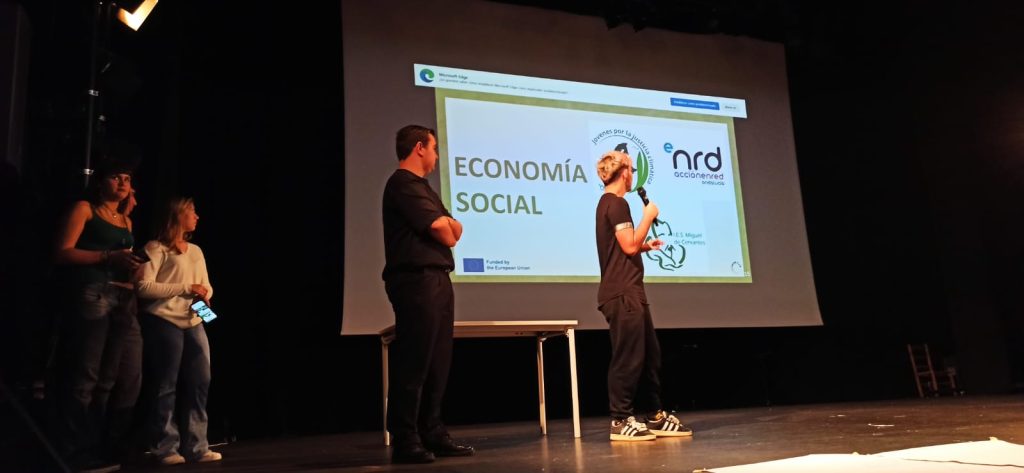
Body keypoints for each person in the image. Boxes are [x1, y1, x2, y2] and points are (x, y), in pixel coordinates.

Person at [381, 125, 473, 463]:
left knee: (438, 361)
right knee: (415, 360)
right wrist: (448, 225)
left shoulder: (423, 188)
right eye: (434, 148)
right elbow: (447, 233)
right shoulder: (402, 184)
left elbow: (455, 229)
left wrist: (448, 225)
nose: (436, 156)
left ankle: (432, 431)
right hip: (416, 280)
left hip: (437, 279)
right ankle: (406, 437)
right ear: (419, 147)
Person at [594, 150, 692, 441]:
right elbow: (628, 246)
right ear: (624, 173)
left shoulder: (610, 204)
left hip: (631, 290)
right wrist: (648, 216)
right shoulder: (616, 203)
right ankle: (620, 419)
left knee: (649, 356)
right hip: (622, 292)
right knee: (629, 357)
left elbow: (625, 246)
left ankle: (654, 416)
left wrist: (645, 246)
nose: (633, 176)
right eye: (632, 171)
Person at [54, 158, 144, 471]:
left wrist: (132, 266)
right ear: (101, 182)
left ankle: (98, 446)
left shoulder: (126, 221)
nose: (122, 184)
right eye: (116, 177)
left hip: (123, 297)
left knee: (109, 379)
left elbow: (122, 258)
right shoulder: (85, 209)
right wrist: (107, 256)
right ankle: (73, 451)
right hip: (95, 293)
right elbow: (62, 252)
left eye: (127, 179)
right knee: (86, 376)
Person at [135, 197, 221, 465]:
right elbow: (143, 287)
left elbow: (205, 284)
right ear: (176, 215)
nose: (197, 216)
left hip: (193, 320)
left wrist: (204, 295)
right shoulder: (155, 248)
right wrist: (186, 288)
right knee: (166, 384)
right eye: (191, 211)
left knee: (201, 380)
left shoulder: (195, 250)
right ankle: (165, 447)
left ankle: (197, 445)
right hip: (164, 320)